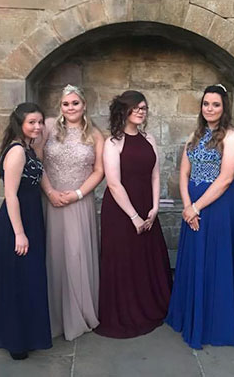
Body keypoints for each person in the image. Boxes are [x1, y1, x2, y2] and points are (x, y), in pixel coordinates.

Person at [166, 84, 234, 349]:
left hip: (218, 206)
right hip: (194, 206)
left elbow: (225, 179)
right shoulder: (196, 134)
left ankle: (215, 322)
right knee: (195, 260)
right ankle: (192, 316)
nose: (210, 109)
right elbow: (183, 172)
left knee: (216, 260)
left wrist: (196, 208)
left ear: (224, 108)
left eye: (215, 104)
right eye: (206, 104)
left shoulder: (232, 136)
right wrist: (187, 206)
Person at [95, 90, 172, 338]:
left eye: (144, 108)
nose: (141, 111)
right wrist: (134, 216)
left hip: (147, 207)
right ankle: (125, 310)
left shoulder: (149, 138)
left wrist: (154, 207)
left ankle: (150, 305)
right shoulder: (112, 143)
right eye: (136, 107)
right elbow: (114, 184)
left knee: (146, 258)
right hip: (120, 212)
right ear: (124, 111)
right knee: (124, 260)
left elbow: (155, 174)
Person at [37, 85, 104, 341]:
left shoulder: (95, 134)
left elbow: (99, 170)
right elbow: (37, 160)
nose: (71, 108)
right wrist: (51, 191)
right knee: (54, 255)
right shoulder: (49, 127)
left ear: (84, 105)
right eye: (66, 104)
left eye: (75, 103)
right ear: (60, 107)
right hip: (52, 200)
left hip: (79, 201)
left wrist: (77, 193)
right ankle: (55, 314)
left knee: (76, 255)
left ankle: (80, 312)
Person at [0, 102, 52, 360]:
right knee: (18, 280)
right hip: (18, 221)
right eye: (32, 122)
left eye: (40, 122)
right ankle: (16, 341)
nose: (37, 127)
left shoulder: (29, 147)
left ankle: (28, 334)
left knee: (29, 279)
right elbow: (10, 195)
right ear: (19, 124)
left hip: (31, 217)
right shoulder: (16, 151)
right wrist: (19, 233)